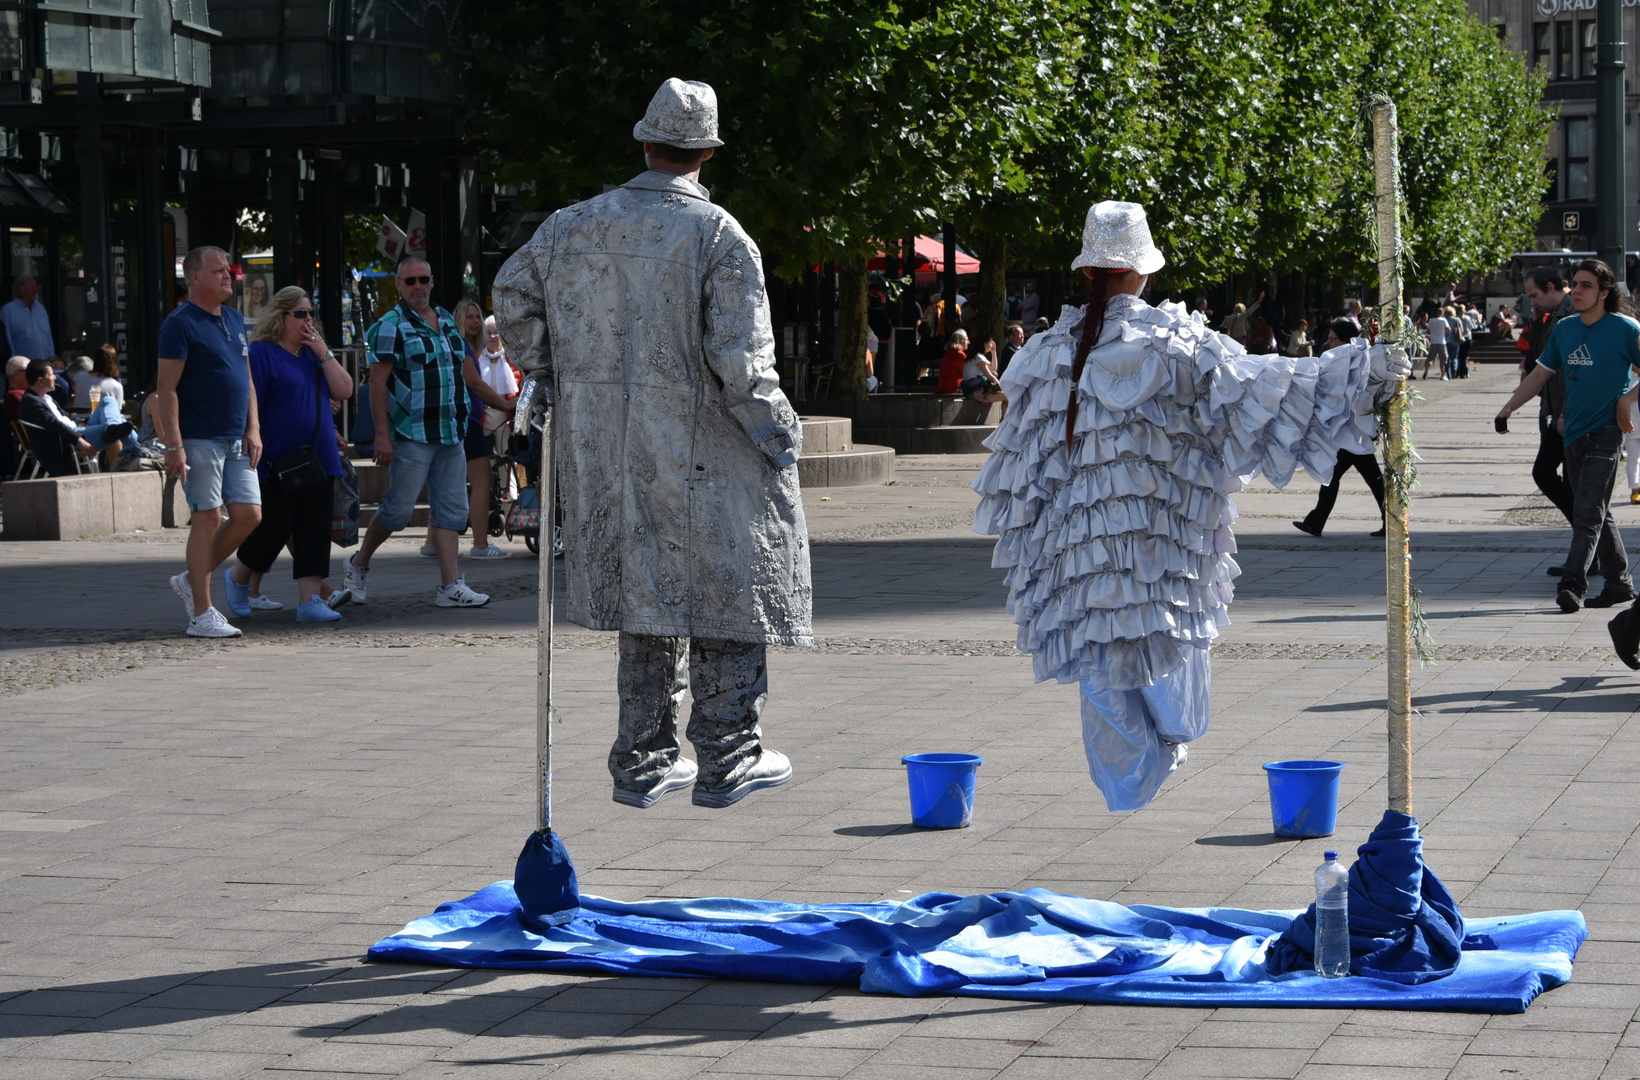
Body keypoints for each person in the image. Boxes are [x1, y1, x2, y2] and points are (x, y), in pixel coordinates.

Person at [971, 200, 1408, 813]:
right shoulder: (1176, 343)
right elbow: (1261, 388)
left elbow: (1021, 472)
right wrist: (1361, 374)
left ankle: (1129, 783)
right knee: (1164, 647)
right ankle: (1170, 744)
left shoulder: (1043, 354)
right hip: (1163, 543)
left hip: (1081, 556)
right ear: (1143, 271)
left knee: (1102, 668)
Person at [494, 76, 810, 811]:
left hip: (613, 450)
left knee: (647, 595)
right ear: (706, 152)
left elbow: (512, 295)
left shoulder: (570, 227)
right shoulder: (719, 235)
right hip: (707, 445)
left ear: (645, 141)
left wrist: (552, 369)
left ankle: (642, 757)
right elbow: (743, 363)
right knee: (731, 587)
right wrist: (779, 439)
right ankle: (729, 754)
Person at [342, 256, 490, 609]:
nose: (418, 286)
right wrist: (382, 434)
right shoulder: (389, 325)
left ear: (433, 281)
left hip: (450, 430)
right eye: (410, 281)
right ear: (398, 284)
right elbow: (377, 383)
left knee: (451, 511)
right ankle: (359, 562)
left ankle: (450, 585)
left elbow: (466, 376)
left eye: (423, 279)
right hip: (412, 434)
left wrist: (499, 405)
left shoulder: (447, 324)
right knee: (397, 512)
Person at [1496, 259, 1638, 614]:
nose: (1575, 290)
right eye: (1574, 284)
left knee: (1588, 512)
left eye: (1585, 285)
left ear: (1604, 293)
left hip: (1607, 431)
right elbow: (1539, 375)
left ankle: (1572, 584)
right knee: (1594, 511)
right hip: (1572, 430)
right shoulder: (1565, 329)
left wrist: (1628, 398)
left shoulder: (1626, 328)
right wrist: (1508, 408)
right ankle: (1619, 584)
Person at [223, 287, 355, 624]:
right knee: (273, 528)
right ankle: (237, 578)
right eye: (299, 313)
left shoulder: (313, 354)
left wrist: (324, 351)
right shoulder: (262, 353)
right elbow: (252, 403)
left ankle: (310, 601)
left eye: (310, 313)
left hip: (319, 456)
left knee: (314, 529)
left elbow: (344, 390)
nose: (307, 320)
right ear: (280, 317)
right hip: (277, 459)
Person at [155, 246, 264, 638]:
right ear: (195, 277)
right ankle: (202, 613)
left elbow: (246, 377)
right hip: (199, 436)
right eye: (218, 271)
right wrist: (174, 445)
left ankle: (191, 578)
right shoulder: (179, 323)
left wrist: (253, 427)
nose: (228, 277)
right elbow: (166, 390)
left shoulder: (234, 318)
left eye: (228, 270)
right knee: (208, 518)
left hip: (237, 435)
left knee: (249, 515)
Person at [419, 298, 515, 561]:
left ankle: (431, 543)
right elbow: (474, 384)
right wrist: (506, 403)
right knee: (482, 481)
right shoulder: (459, 347)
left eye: (477, 317)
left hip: (454, 420)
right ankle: (481, 545)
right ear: (457, 320)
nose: (474, 321)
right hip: (465, 422)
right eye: (469, 317)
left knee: (446, 483)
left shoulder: (455, 346)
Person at [1294, 320, 1388, 538]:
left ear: (1343, 339)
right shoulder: (1346, 358)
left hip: (1352, 432)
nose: (1328, 342)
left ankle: (1316, 522)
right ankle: (1391, 520)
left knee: (1336, 476)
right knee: (1369, 479)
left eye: (1331, 338)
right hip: (1352, 432)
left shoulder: (1348, 359)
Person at [1521, 266, 1579, 576]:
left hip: (1566, 415)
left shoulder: (1570, 315)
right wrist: (1532, 322)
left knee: (1566, 481)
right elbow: (1536, 361)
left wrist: (1564, 413)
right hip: (1553, 410)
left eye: (1534, 295)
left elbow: (1572, 372)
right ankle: (1585, 551)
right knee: (1548, 475)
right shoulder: (1548, 317)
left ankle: (1587, 556)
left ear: (1551, 287)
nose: (1533, 301)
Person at [15, 358, 98, 476]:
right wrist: (79, 440)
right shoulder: (31, 401)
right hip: (69, 437)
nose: (55, 377)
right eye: (51, 374)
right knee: (110, 426)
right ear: (40, 381)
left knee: (107, 407)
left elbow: (65, 415)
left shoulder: (46, 398)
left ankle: (116, 428)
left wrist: (80, 422)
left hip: (77, 430)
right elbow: (54, 424)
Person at [78, 346, 129, 469]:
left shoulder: (80, 376)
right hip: (94, 425)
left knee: (113, 431)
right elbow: (117, 412)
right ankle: (117, 470)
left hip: (81, 422)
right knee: (115, 433)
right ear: (114, 361)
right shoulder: (115, 386)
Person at [1, 275, 54, 361]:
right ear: (21, 290)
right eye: (32, 287)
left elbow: (48, 336)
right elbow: (7, 341)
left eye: (36, 287)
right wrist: (13, 363)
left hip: (44, 364)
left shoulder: (41, 309)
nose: (36, 290)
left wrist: (52, 357)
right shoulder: (8, 311)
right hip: (23, 368)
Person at [961, 333, 1006, 406]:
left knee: (1006, 396)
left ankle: (1004, 417)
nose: (991, 345)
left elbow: (993, 369)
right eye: (990, 343)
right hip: (975, 391)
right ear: (985, 343)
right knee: (1007, 396)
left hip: (972, 390)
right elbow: (990, 376)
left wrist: (993, 352)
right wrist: (1002, 387)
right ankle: (1004, 417)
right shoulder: (979, 358)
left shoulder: (977, 356)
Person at [936, 329, 969, 394]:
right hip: (953, 389)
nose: (969, 342)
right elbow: (966, 374)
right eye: (967, 339)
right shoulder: (960, 355)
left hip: (942, 387)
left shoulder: (949, 354)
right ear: (961, 341)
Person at [1424, 304, 1450, 379]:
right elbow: (1449, 329)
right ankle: (1442, 375)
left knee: (1430, 358)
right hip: (1441, 342)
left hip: (1433, 342)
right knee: (1442, 359)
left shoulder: (1431, 320)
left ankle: (1426, 371)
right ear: (1442, 314)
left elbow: (1428, 330)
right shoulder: (1444, 320)